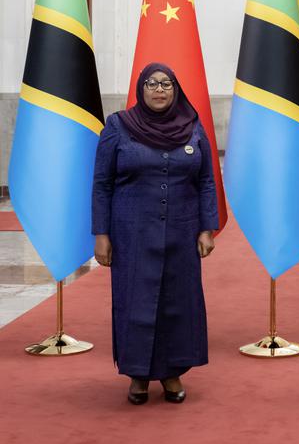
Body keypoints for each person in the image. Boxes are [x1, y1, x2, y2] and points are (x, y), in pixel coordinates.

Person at [92, 62, 218, 405]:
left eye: (166, 84)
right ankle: (138, 375)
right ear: (140, 89)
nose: (159, 90)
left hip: (183, 229)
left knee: (178, 302)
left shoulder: (193, 128)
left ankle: (172, 373)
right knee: (136, 300)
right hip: (131, 231)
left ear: (176, 89)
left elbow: (206, 180)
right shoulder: (118, 126)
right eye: (152, 83)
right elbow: (102, 183)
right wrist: (101, 234)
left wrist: (208, 228)